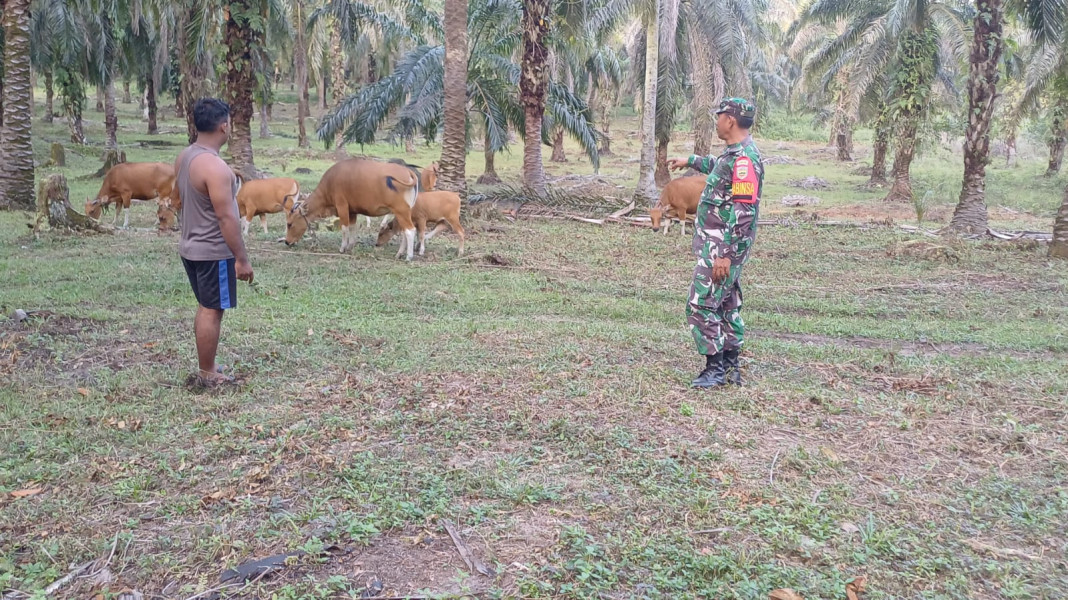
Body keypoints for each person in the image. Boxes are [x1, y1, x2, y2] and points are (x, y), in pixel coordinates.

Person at [667, 97, 763, 388]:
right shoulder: (734, 154)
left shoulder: (744, 159)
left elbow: (744, 212)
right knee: (727, 304)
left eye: (719, 115)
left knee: (699, 304)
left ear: (730, 120)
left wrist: (726, 255)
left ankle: (714, 368)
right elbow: (717, 166)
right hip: (720, 245)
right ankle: (731, 365)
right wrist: (690, 161)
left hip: (721, 248)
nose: (716, 120)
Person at [174, 98, 254, 386]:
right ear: (224, 126)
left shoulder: (185, 157)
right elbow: (227, 218)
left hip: (190, 247)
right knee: (212, 309)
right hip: (213, 251)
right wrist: (242, 259)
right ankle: (207, 372)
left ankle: (206, 364)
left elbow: (181, 199)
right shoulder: (217, 168)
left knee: (205, 305)